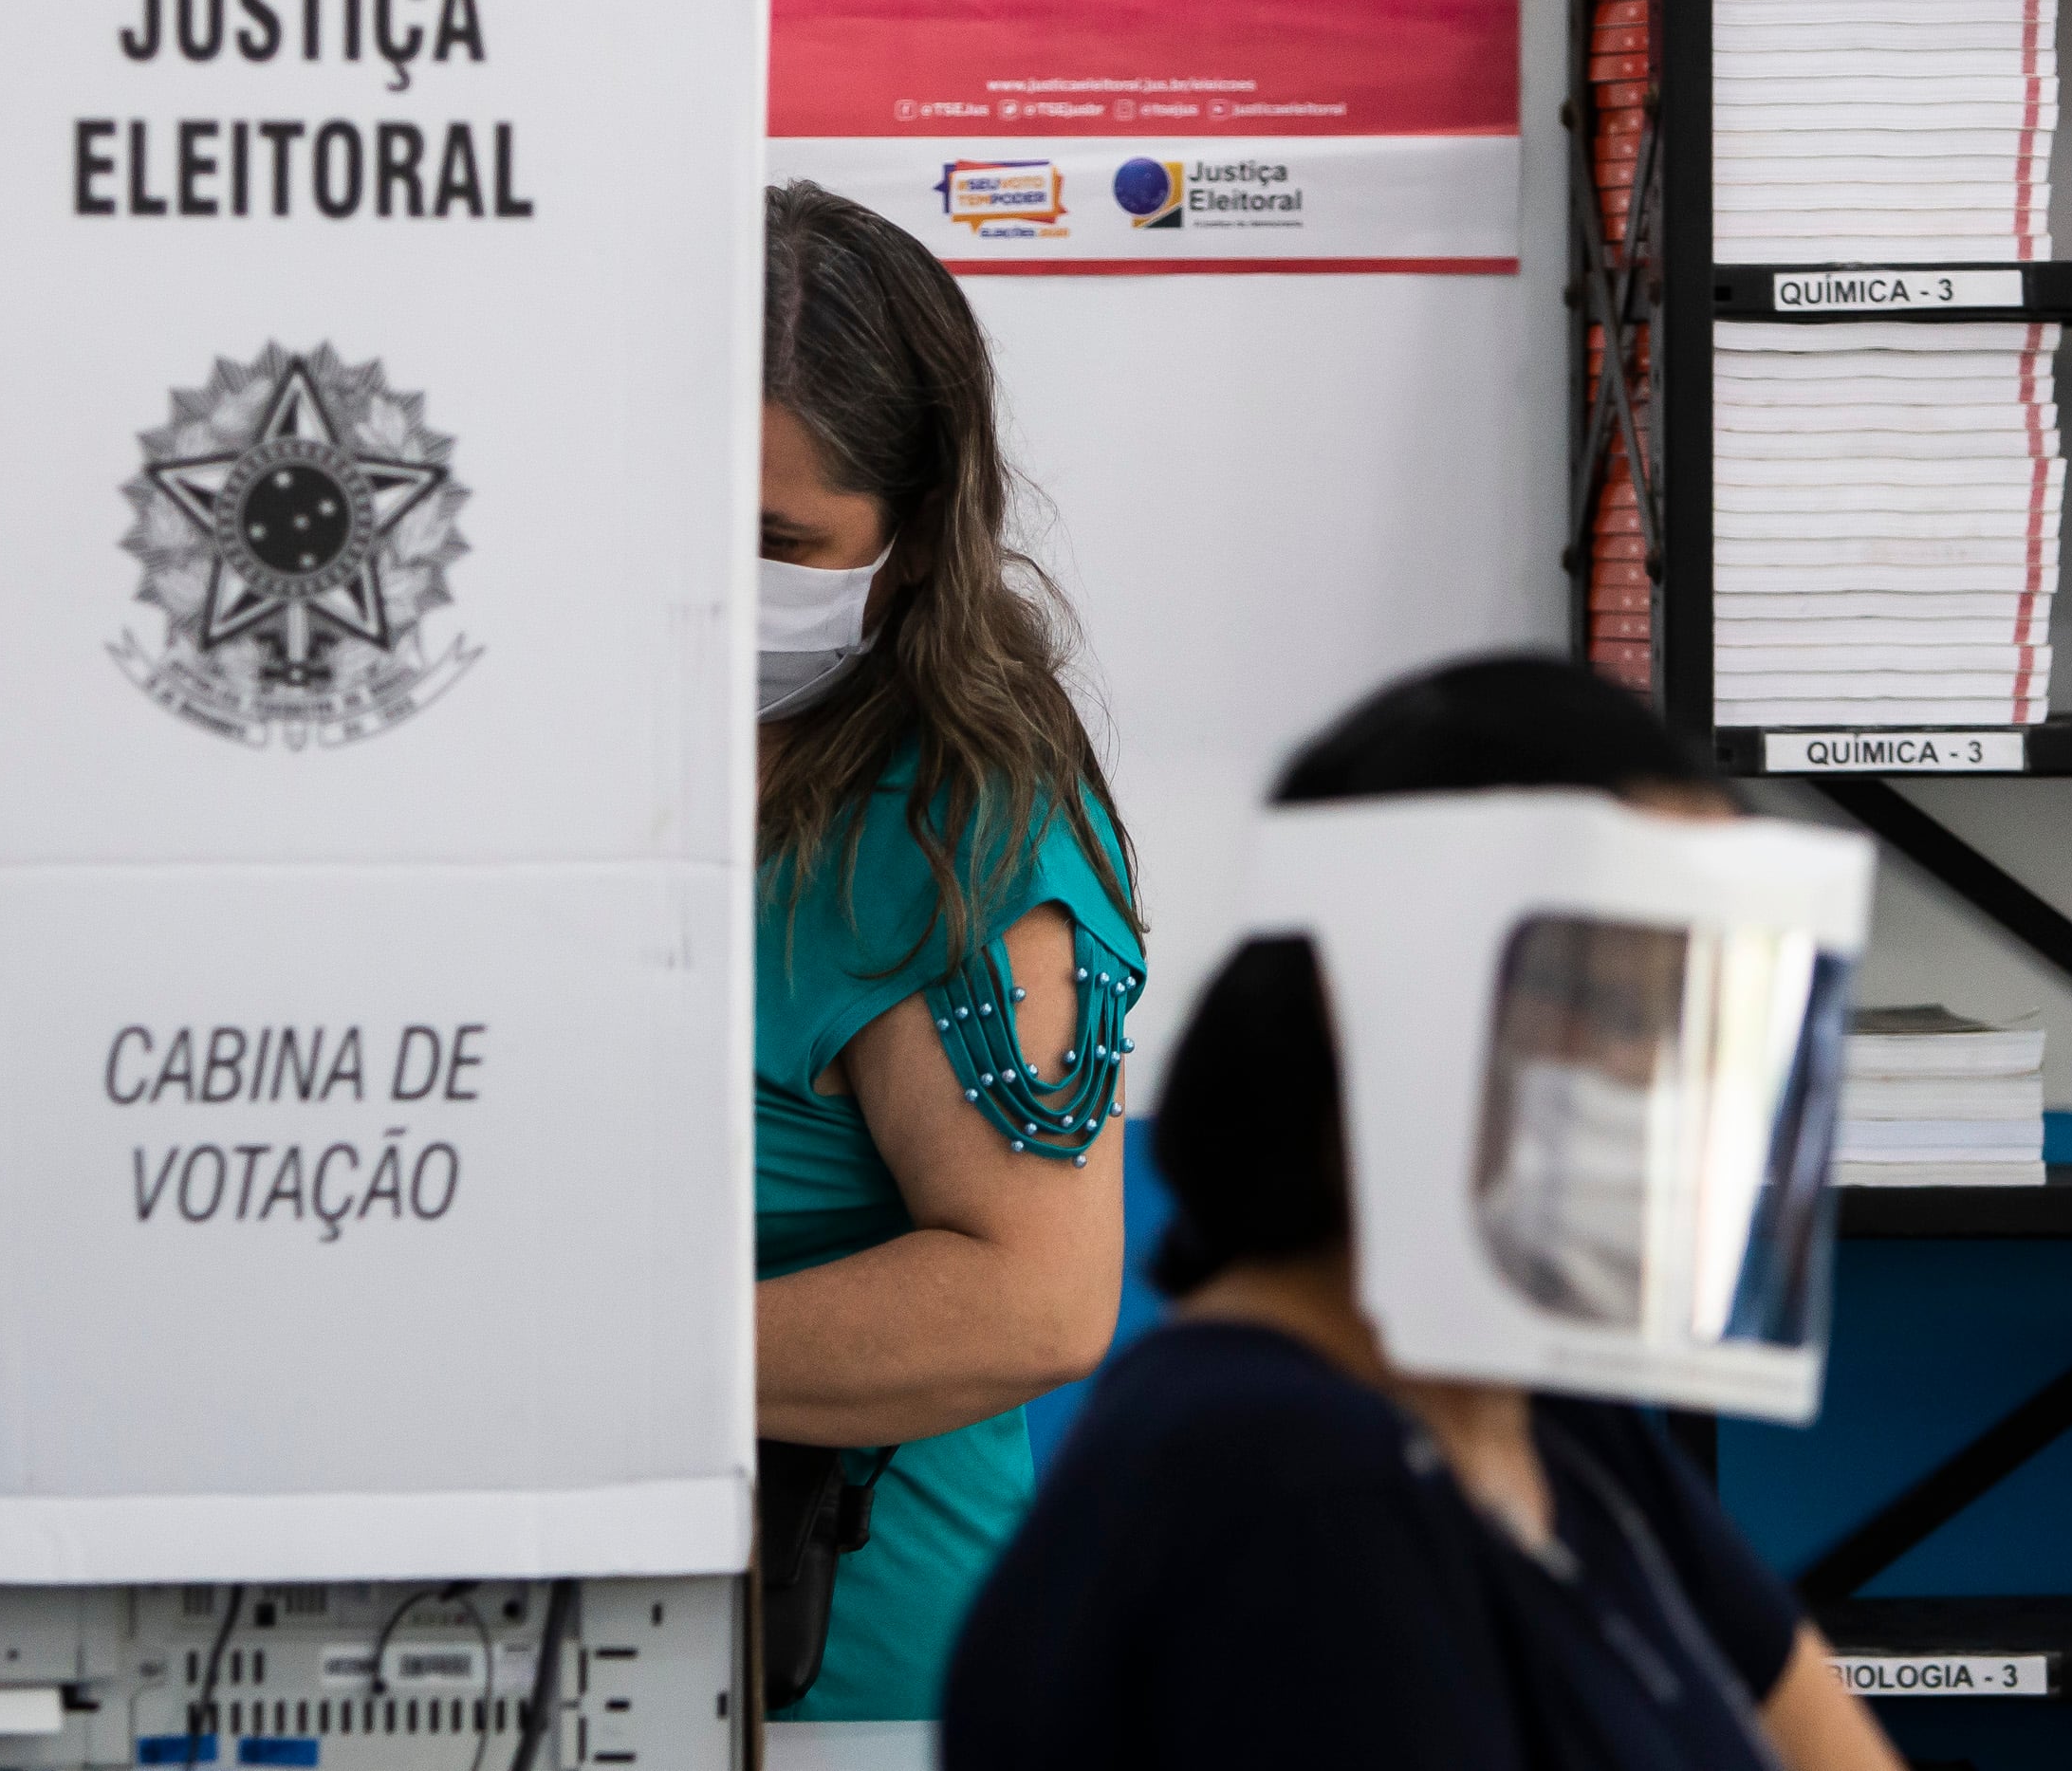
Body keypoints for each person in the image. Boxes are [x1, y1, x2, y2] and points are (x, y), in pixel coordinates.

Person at [942, 655, 1904, 1771]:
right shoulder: (1282, 1486)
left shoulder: (1559, 1426)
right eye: (1588, 995)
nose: (1653, 1079)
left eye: (1681, 1016)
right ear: (1361, 1001)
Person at [752, 179, 1144, 1722]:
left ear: (913, 540)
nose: (717, 579)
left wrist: (561, 1372)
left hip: (842, 1679)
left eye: (781, 541)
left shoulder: (960, 832)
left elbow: (1030, 1300)